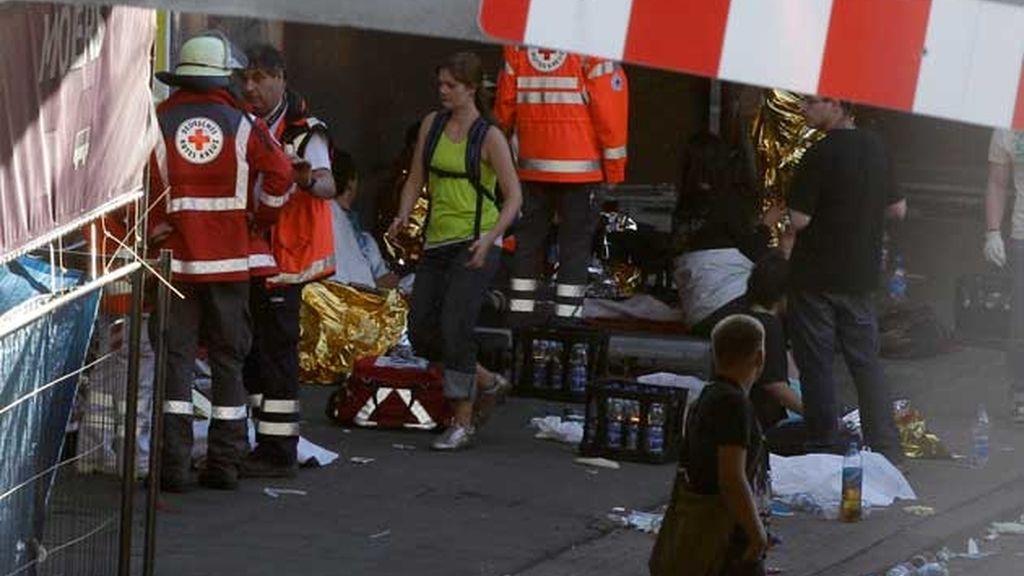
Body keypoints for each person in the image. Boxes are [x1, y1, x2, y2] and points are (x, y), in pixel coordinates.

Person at [148, 31, 293, 491]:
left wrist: (156, 226)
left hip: (175, 263)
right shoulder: (243, 124)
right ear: (220, 77)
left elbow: (139, 183)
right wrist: (260, 214)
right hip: (229, 262)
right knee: (230, 360)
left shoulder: (157, 121)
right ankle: (224, 465)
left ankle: (172, 467)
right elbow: (282, 173)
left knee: (177, 361)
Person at [389, 52, 523, 451]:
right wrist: (402, 215)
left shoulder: (489, 136)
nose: (443, 92)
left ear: (471, 88)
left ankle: (461, 421)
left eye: (451, 85)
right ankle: (489, 381)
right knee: (421, 331)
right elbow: (416, 178)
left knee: (456, 327)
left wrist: (490, 237)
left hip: (476, 240)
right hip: (438, 240)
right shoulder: (432, 126)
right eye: (441, 84)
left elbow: (514, 197)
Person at [786, 96, 906, 462]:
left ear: (837, 105)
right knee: (865, 361)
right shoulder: (878, 148)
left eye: (811, 101)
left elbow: (799, 220)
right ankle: (886, 447)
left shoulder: (818, 155)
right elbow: (897, 209)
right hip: (861, 274)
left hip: (815, 276)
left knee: (817, 362)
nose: (803, 108)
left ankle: (823, 445)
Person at [238, 44, 337, 477]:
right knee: (253, 351)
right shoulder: (245, 123)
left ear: (280, 77)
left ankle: (279, 450)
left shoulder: (305, 131)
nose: (251, 87)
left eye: (260, 78)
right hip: (252, 254)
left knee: (277, 354)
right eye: (246, 78)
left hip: (286, 256)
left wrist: (303, 177)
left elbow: (329, 184)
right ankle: (264, 438)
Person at [496, 46, 628, 323]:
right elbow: (609, 113)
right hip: (581, 172)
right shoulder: (591, 49)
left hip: (532, 168)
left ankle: (519, 320)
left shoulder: (519, 47)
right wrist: (614, 170)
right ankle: (567, 320)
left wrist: (500, 153)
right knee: (575, 248)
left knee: (527, 243)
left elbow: (504, 106)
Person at [650, 315, 768, 576]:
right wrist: (757, 534)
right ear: (758, 357)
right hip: (723, 536)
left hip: (699, 528)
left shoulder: (706, 397)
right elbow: (731, 477)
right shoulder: (734, 405)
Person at [981, 127, 1024, 424]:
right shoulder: (1006, 128)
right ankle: (1021, 393)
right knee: (1021, 323)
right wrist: (993, 231)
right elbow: (997, 183)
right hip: (1023, 234)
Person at [745, 251, 802, 432]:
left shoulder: (745, 317)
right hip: (763, 422)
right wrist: (815, 414)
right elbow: (775, 387)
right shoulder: (769, 327)